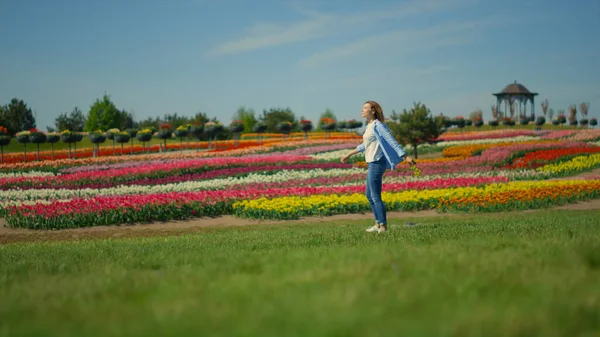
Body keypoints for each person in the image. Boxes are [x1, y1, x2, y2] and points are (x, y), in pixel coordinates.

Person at [341, 100, 417, 233]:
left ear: (373, 111)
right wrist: (349, 154)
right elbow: (365, 145)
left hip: (377, 162)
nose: (362, 110)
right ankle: (377, 224)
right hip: (371, 162)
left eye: (365, 108)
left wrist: (405, 156)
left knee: (375, 196)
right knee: (369, 195)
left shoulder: (378, 125)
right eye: (362, 108)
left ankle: (383, 226)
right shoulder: (369, 126)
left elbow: (391, 140)